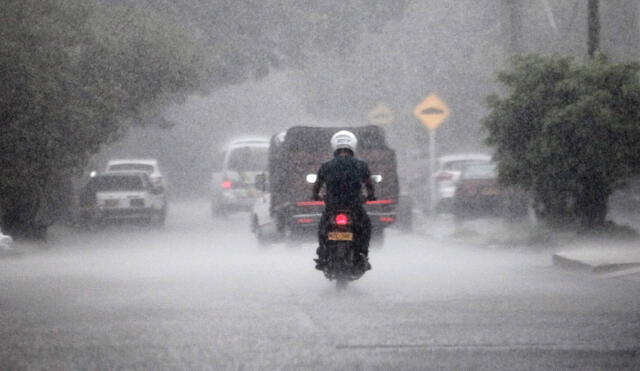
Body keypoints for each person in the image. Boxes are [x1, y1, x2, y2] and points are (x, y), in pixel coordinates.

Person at [312, 130, 375, 270]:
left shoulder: (326, 166)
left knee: (323, 228)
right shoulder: (361, 165)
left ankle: (323, 253)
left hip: (333, 207)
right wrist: (370, 196)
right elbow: (369, 185)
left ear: (334, 146)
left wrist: (315, 195)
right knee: (365, 227)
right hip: (355, 206)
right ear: (353, 145)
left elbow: (317, 186)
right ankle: (363, 253)